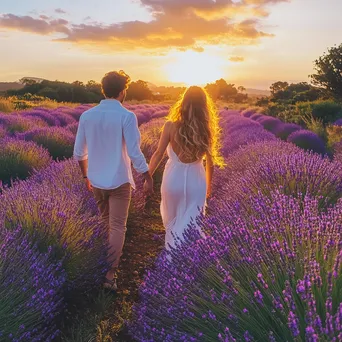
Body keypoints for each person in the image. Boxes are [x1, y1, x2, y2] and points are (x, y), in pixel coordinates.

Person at [73, 70, 153, 291]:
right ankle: (110, 276)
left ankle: (101, 265)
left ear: (103, 90)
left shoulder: (87, 116)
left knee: (106, 223)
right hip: (118, 181)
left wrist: (86, 176)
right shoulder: (126, 116)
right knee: (117, 227)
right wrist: (147, 175)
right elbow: (135, 153)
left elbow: (79, 153)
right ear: (122, 91)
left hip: (96, 181)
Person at [147, 86, 223, 249]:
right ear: (203, 106)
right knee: (192, 224)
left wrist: (148, 176)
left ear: (183, 102)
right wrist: (208, 186)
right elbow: (210, 163)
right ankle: (188, 261)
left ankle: (172, 258)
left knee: (172, 222)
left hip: (173, 179)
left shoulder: (170, 126)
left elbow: (158, 154)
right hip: (197, 181)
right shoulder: (206, 129)